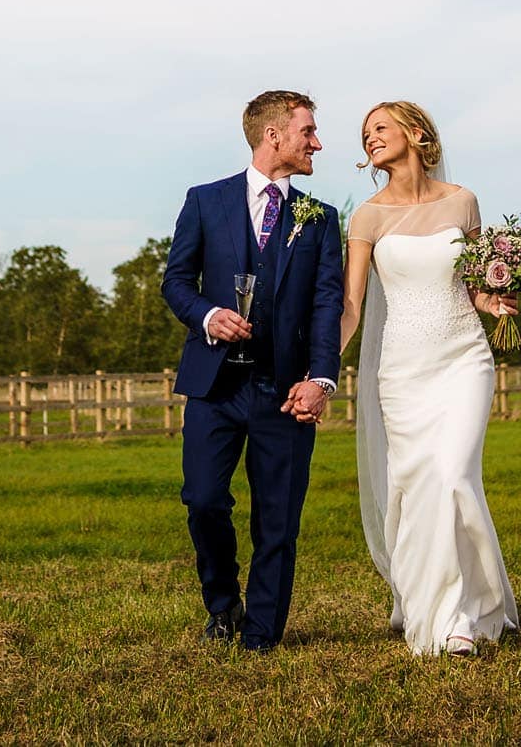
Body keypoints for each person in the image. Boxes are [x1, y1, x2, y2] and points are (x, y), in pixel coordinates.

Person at [160, 90, 344, 652]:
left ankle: (262, 633)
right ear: (274, 136)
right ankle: (223, 606)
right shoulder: (204, 201)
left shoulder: (319, 218)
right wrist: (208, 315)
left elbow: (326, 304)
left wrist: (321, 378)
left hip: (284, 390)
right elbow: (175, 283)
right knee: (204, 499)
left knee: (278, 520)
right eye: (308, 131)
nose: (317, 142)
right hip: (214, 387)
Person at [340, 100, 519, 656]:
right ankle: (441, 609)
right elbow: (351, 307)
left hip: (464, 357)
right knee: (417, 487)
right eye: (365, 133)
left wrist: (496, 301)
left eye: (380, 128)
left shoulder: (463, 203)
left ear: (416, 134)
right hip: (402, 369)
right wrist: (318, 368)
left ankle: (467, 612)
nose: (370, 138)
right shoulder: (367, 217)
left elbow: (471, 286)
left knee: (455, 475)